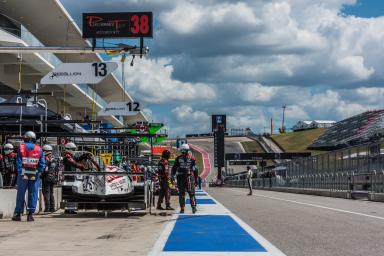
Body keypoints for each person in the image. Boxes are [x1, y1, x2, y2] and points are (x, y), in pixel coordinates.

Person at [12, 131, 45, 222]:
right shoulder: (39, 149)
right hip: (34, 173)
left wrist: (20, 172)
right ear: (34, 139)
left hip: (23, 173)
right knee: (33, 193)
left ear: (25, 138)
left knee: (21, 194)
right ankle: (30, 215)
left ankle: (18, 214)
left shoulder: (21, 147)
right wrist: (38, 172)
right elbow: (42, 164)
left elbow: (18, 161)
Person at [172, 144, 198, 214]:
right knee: (191, 193)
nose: (183, 152)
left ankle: (183, 208)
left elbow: (174, 168)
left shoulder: (178, 158)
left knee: (182, 193)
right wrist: (196, 179)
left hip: (182, 178)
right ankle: (193, 207)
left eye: (183, 150)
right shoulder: (192, 158)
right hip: (188, 177)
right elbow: (195, 170)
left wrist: (172, 176)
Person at [62, 142, 85, 214]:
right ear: (69, 149)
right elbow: (73, 163)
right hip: (69, 177)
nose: (74, 150)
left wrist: (83, 156)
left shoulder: (71, 156)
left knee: (70, 194)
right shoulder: (67, 156)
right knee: (70, 194)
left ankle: (69, 209)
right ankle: (70, 209)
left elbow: (76, 159)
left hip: (71, 176)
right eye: (73, 149)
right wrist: (80, 166)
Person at [42, 144, 56, 213]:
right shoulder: (53, 158)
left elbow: (45, 169)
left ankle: (47, 209)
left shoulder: (46, 158)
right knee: (51, 193)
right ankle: (52, 208)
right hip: (53, 177)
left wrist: (41, 176)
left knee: (46, 193)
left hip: (47, 177)